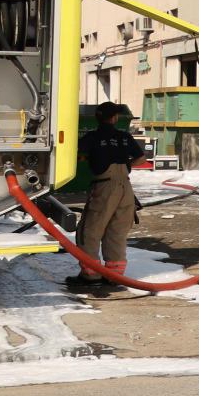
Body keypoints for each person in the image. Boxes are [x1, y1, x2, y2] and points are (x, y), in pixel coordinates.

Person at [71, 102, 144, 296]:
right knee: (117, 230)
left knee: (90, 230)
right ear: (115, 118)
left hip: (104, 185)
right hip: (125, 187)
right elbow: (141, 158)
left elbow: (78, 156)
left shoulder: (92, 137)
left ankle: (91, 275)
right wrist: (126, 166)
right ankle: (114, 275)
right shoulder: (124, 136)